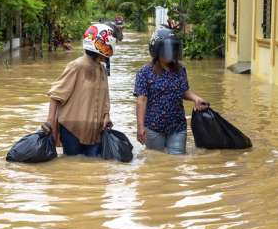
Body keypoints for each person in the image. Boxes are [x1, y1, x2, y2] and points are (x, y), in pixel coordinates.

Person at [42, 24, 116, 157]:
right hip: (72, 131)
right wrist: (50, 122)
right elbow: (55, 96)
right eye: (106, 46)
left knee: (92, 170)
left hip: (95, 130)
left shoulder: (102, 69)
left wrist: (106, 115)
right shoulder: (76, 66)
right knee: (73, 169)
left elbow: (105, 97)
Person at [134, 26, 209, 155]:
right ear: (156, 51)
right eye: (166, 50)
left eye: (172, 49)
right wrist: (140, 127)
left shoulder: (180, 70)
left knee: (177, 162)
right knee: (156, 163)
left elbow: (184, 91)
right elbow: (141, 100)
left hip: (177, 126)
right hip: (153, 128)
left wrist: (196, 98)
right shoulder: (144, 72)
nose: (170, 53)